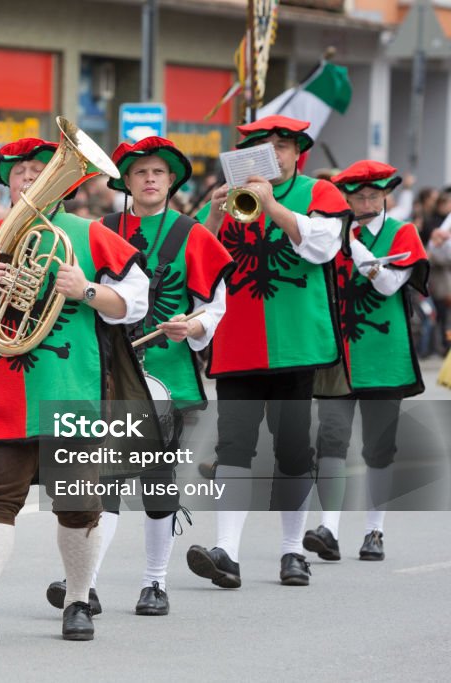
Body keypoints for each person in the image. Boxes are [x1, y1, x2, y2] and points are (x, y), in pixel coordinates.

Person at [0, 137, 151, 644]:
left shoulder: (90, 236)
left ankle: (78, 601)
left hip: (70, 390)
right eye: (20, 172)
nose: (29, 178)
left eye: (40, 169)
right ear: (7, 182)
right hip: (0, 395)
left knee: (77, 505)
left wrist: (88, 290)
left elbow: (135, 305)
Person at [45, 137, 234, 617]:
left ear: (171, 182)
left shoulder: (192, 233)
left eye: (159, 173)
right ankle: (84, 586)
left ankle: (155, 583)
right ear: (126, 182)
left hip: (167, 377)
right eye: (140, 173)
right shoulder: (97, 230)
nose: (150, 179)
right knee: (101, 482)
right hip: (104, 373)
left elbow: (215, 306)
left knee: (155, 484)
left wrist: (191, 326)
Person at [186, 115, 351, 589]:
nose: (273, 153)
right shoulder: (225, 194)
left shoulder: (321, 194)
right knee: (234, 447)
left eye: (282, 145)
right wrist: (216, 213)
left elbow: (324, 246)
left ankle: (292, 551)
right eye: (264, 145)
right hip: (237, 341)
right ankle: (227, 552)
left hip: (296, 344)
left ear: (298, 153)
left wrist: (271, 206)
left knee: (294, 449)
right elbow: (196, 259)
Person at [304, 161, 428, 563]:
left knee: (379, 448)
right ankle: (330, 528)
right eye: (357, 197)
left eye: (373, 195)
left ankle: (375, 530)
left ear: (385, 195)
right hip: (339, 357)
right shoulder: (334, 236)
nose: (366, 202)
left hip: (385, 358)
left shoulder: (402, 232)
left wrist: (351, 241)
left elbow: (389, 282)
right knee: (332, 439)